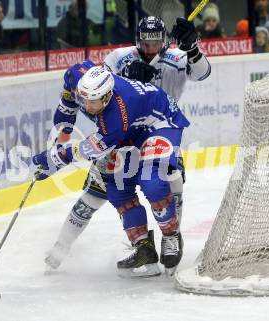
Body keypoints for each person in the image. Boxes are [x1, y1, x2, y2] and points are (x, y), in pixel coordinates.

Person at [43, 16, 211, 274]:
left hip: (156, 130)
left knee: (166, 183)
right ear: (137, 39)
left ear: (165, 41)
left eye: (156, 43)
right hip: (118, 136)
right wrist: (125, 76)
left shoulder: (177, 57)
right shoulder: (119, 58)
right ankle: (61, 248)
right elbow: (99, 86)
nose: (151, 48)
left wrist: (192, 47)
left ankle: (170, 238)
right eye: (146, 42)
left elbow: (203, 73)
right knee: (98, 193)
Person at [33, 64, 190, 277]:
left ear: (106, 98)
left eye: (93, 101)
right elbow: (68, 103)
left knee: (152, 182)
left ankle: (171, 236)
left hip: (158, 124)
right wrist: (61, 134)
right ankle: (143, 247)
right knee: (116, 188)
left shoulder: (117, 115)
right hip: (129, 129)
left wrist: (56, 159)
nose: (87, 105)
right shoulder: (77, 77)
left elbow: (91, 148)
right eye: (83, 99)